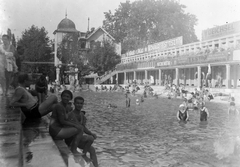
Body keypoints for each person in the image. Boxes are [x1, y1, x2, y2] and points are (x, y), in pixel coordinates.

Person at [65, 96, 98, 167]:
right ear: (74, 104)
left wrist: (92, 133)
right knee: (90, 138)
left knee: (92, 149)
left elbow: (84, 128)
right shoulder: (70, 115)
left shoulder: (82, 115)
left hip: (78, 140)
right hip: (71, 140)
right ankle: (84, 155)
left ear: (83, 104)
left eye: (81, 103)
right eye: (77, 103)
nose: (79, 105)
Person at [49, 90, 84, 155]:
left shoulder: (65, 106)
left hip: (57, 130)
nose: (66, 98)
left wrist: (75, 124)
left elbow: (67, 120)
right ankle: (74, 150)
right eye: (64, 96)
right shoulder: (59, 106)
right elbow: (62, 121)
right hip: (55, 131)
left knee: (78, 127)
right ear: (61, 97)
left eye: (68, 97)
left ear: (70, 98)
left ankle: (70, 146)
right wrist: (75, 125)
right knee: (80, 129)